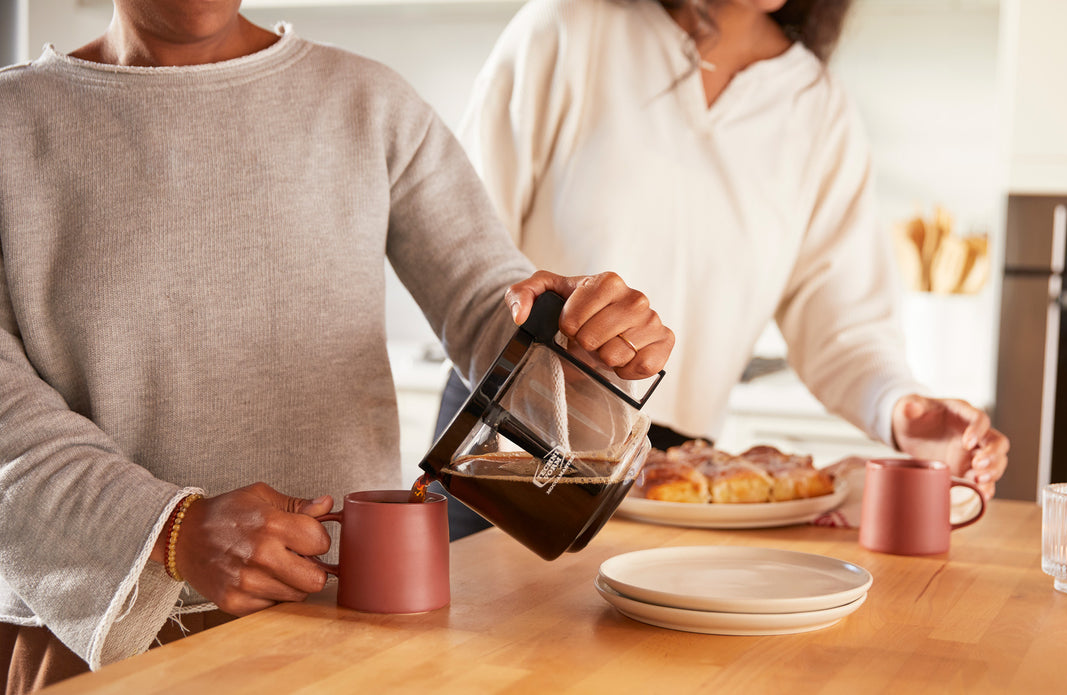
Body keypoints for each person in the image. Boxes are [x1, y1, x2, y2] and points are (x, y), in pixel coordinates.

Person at [0, 2, 673, 692]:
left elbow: (485, 302)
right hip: (99, 640)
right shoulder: (13, 122)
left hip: (355, 630)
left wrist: (578, 343)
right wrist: (171, 530)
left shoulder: (368, 100)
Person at [444, 0, 1009, 515]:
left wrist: (900, 408)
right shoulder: (570, 28)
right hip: (505, 431)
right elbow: (459, 250)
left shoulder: (816, 106)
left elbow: (844, 329)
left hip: (669, 475)